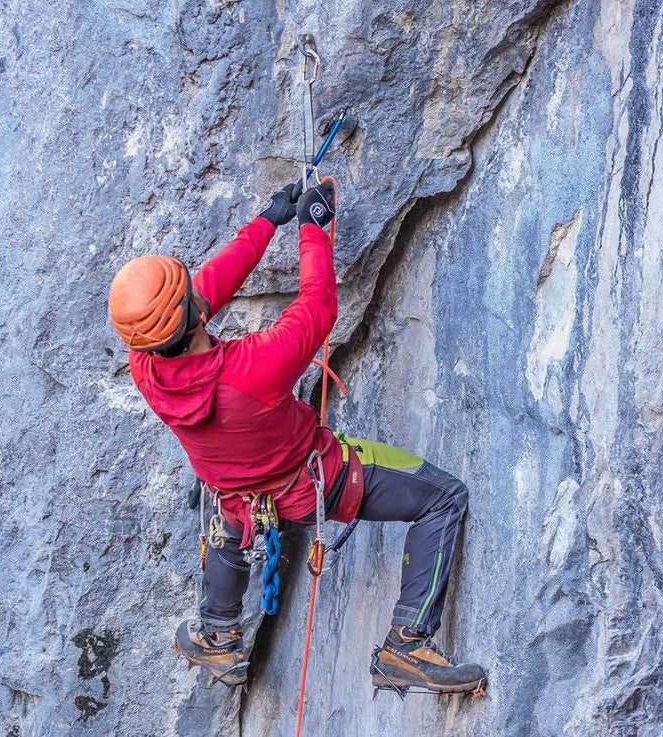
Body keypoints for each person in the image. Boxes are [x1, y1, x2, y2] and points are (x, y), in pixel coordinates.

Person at [108, 180, 486, 694]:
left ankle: (218, 632)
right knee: (444, 498)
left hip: (239, 498)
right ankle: (407, 643)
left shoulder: (144, 366)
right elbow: (317, 307)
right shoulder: (253, 369)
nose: (201, 291)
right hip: (321, 484)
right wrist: (311, 228)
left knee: (228, 503)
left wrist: (268, 222)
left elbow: (204, 293)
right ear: (194, 314)